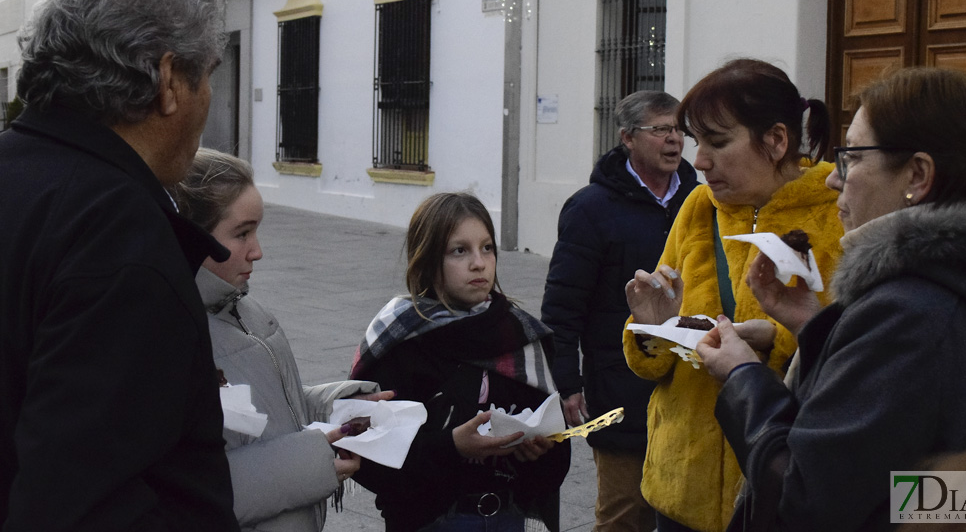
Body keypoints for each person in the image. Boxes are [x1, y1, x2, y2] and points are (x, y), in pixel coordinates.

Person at [0, 0, 238, 530]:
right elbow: (84, 506)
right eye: (207, 73)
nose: (208, 97)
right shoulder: (119, 234)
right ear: (168, 80)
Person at [695, 66, 966, 531]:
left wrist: (744, 378)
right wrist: (815, 326)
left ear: (917, 175)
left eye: (853, 158)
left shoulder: (909, 312)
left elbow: (804, 497)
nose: (832, 179)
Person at [620, 58, 845, 532]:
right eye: (698, 142)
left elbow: (853, 349)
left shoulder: (836, 217)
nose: (699, 161)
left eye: (717, 142)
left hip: (776, 485)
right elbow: (654, 360)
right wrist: (652, 327)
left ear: (777, 141)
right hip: (680, 485)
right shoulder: (698, 208)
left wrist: (779, 340)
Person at [172, 148, 395, 531]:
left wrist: (336, 407)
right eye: (242, 233)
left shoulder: (248, 309)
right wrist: (312, 460)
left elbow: (270, 409)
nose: (257, 251)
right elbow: (191, 486)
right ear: (195, 238)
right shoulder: (171, 335)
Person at [351, 192, 571, 532]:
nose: (479, 263)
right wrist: (452, 446)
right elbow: (372, 462)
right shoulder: (401, 340)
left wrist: (542, 451)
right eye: (459, 251)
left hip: (508, 519)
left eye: (487, 248)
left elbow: (556, 464)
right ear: (427, 259)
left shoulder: (521, 335)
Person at [542, 90, 697, 531]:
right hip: (619, 387)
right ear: (628, 137)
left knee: (682, 511)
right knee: (625, 513)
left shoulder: (700, 201)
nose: (675, 141)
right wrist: (567, 384)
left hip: (688, 382)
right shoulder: (591, 208)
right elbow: (562, 307)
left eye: (679, 130)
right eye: (661, 130)